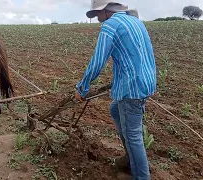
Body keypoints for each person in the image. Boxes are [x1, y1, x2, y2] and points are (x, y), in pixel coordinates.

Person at [75, 0, 157, 179]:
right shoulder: (136, 22)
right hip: (146, 82)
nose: (97, 18)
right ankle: (129, 159)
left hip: (132, 88)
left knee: (133, 135)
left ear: (106, 11)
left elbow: (98, 62)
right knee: (114, 109)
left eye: (97, 14)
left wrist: (82, 88)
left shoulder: (110, 26)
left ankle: (141, 176)